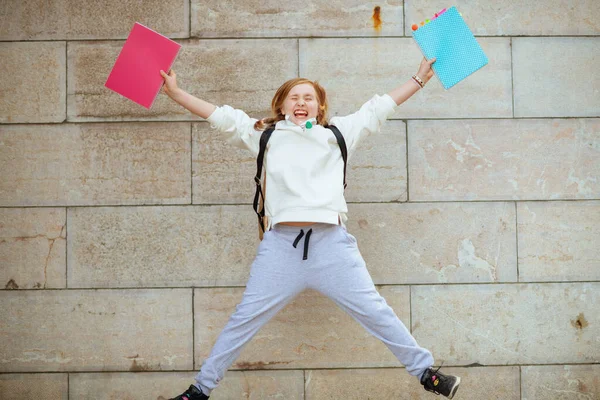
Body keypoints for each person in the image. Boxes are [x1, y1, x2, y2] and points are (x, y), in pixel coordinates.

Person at [160, 56, 461, 400]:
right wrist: (177, 94)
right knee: (243, 319)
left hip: (331, 245)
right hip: (281, 248)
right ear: (281, 105)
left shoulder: (337, 134)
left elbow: (380, 107)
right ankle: (199, 391)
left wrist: (419, 79)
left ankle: (426, 374)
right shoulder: (265, 135)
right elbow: (221, 117)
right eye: (294, 97)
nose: (301, 102)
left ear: (319, 107)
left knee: (375, 311)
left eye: (308, 98)